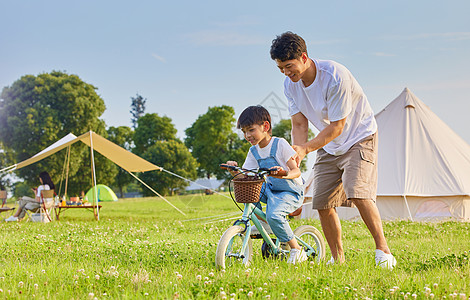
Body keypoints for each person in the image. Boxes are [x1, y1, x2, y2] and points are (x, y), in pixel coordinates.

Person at [270, 32, 396, 269]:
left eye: (289, 66)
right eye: (280, 68)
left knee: (356, 191)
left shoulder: (335, 76)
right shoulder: (290, 85)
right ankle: (337, 259)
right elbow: (299, 124)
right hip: (328, 143)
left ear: (304, 57)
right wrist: (295, 157)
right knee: (322, 202)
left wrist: (307, 148)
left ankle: (383, 251)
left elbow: (338, 126)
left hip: (359, 136)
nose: (286, 73)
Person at [225, 105, 307, 264]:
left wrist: (284, 174)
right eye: (244, 132)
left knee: (274, 215)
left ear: (266, 127)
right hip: (271, 189)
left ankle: (296, 249)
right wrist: (234, 171)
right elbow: (247, 175)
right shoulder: (253, 151)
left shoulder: (279, 144)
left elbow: (296, 171)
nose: (247, 135)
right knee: (248, 188)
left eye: (251, 130)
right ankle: (265, 224)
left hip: (290, 191)